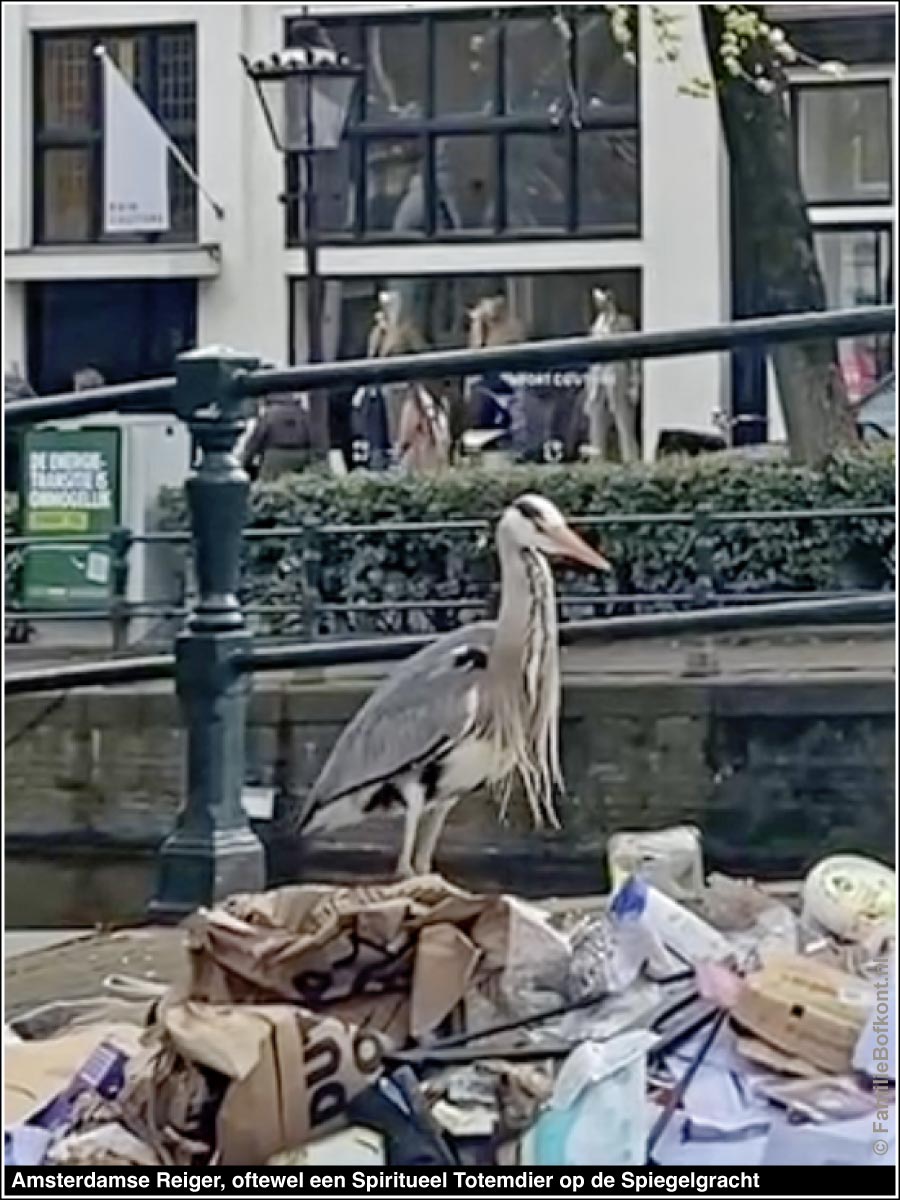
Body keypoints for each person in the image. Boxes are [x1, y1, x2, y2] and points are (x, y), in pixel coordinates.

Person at [241, 393, 312, 481]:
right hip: (301, 456)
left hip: (275, 457)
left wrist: (245, 461)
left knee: (268, 487)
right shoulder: (303, 413)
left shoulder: (270, 414)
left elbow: (256, 439)